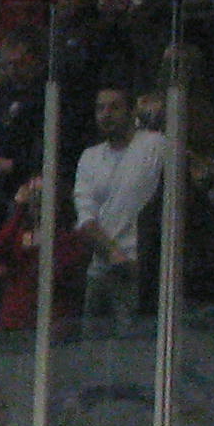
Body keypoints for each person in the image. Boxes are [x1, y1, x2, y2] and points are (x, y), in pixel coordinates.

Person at [71, 83, 165, 320]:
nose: (106, 114)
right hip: (101, 271)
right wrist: (113, 253)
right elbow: (86, 217)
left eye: (114, 107)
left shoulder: (155, 145)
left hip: (140, 270)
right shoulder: (89, 157)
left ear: (132, 110)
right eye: (100, 108)